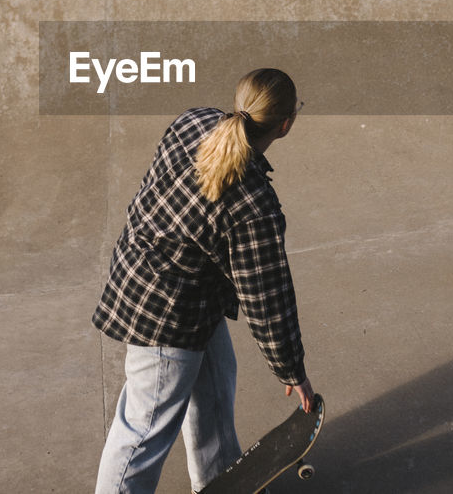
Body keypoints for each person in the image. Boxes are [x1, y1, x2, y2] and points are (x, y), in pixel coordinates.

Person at [92, 68, 315, 494]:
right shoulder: (254, 203)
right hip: (164, 316)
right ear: (285, 124)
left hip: (173, 285)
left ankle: (219, 482)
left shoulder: (193, 120)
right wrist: (292, 370)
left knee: (213, 385)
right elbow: (267, 300)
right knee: (143, 428)